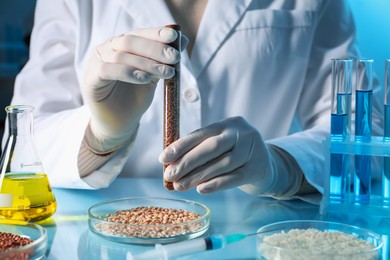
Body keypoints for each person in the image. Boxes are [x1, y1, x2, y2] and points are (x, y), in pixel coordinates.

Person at [6, 0, 383, 200]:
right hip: (105, 237)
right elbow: (25, 138)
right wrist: (102, 134)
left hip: (253, 232)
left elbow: (365, 134)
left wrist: (278, 167)